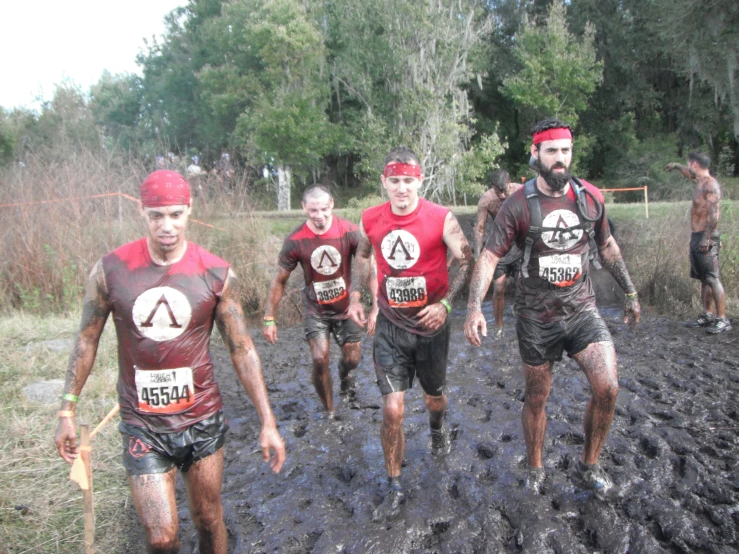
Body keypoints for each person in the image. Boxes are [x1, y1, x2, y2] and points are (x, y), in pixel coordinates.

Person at [54, 170, 286, 554]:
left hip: (202, 419)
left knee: (209, 521)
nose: (167, 226)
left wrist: (268, 422)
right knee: (162, 538)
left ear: (190, 211)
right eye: (156, 215)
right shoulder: (110, 271)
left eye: (176, 215)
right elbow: (86, 338)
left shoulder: (216, 273)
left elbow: (242, 350)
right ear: (142, 212)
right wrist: (67, 409)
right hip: (143, 423)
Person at [464, 118, 640, 501]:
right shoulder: (516, 205)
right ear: (536, 154)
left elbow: (607, 248)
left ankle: (589, 465)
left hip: (581, 312)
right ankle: (535, 465)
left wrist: (630, 291)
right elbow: (490, 256)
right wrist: (474, 307)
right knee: (537, 399)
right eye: (552, 151)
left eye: (565, 151)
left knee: (607, 387)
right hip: (535, 319)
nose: (560, 159)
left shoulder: (590, 197)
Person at [347, 146, 473, 521]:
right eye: (395, 181)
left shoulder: (440, 218)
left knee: (435, 399)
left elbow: (467, 258)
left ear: (420, 180)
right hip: (390, 325)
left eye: (409, 181)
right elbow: (364, 255)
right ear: (384, 182)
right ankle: (394, 484)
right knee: (392, 408)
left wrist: (447, 305)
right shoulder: (370, 218)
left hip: (431, 325)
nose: (402, 189)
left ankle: (437, 428)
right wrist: (356, 294)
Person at [263, 185, 376, 415]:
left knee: (353, 359)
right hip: (316, 311)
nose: (319, 216)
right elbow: (279, 280)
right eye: (313, 210)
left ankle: (345, 377)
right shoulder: (295, 240)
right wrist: (268, 317)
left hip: (347, 308)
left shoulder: (349, 231)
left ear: (332, 204)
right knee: (318, 359)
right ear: (304, 207)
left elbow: (370, 268)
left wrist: (375, 304)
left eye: (324, 209)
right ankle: (330, 410)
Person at [666, 153, 731, 334]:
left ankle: (722, 319)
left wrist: (707, 238)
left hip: (706, 235)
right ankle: (707, 315)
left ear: (695, 164)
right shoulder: (699, 181)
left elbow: (714, 214)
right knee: (703, 279)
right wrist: (677, 166)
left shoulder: (711, 185)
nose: (688, 168)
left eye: (688, 165)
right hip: (697, 235)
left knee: (712, 278)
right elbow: (689, 174)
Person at [473, 169, 523, 336]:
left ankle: (521, 313)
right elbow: (480, 229)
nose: (502, 196)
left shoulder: (521, 192)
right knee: (499, 287)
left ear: (511, 183)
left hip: (520, 246)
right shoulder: (486, 200)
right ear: (491, 187)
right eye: (498, 191)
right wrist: (477, 255)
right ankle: (499, 327)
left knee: (525, 283)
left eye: (505, 190)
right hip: (500, 247)